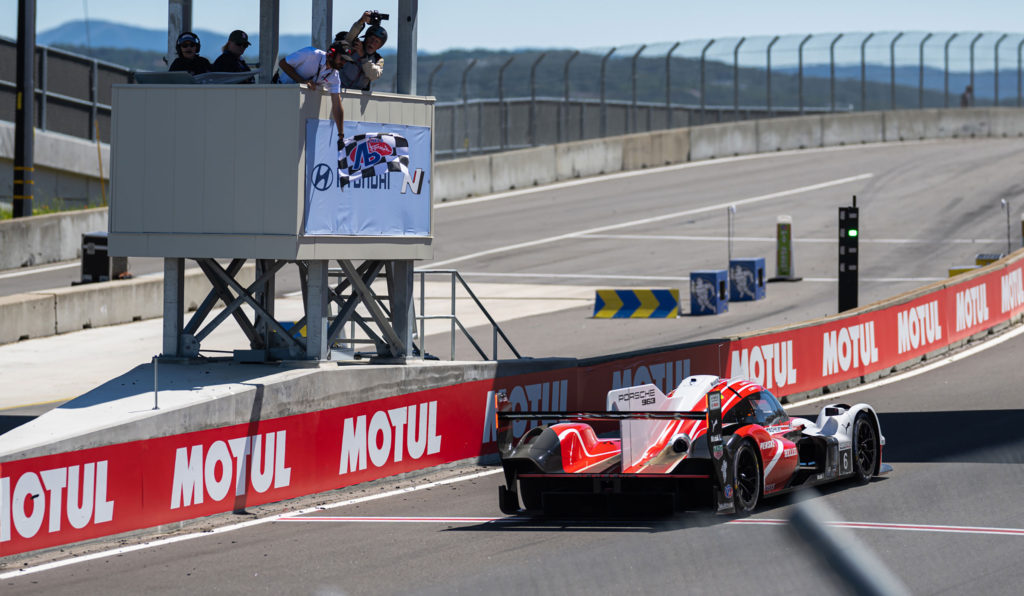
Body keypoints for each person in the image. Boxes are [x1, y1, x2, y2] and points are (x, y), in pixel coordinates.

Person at [276, 42, 348, 139]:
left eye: (346, 61)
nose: (343, 63)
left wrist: (341, 134)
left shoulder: (334, 75)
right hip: (279, 94)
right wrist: (302, 81)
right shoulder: (311, 53)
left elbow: (337, 105)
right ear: (331, 54)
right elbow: (283, 63)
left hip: (295, 107)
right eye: (342, 59)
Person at [336, 11, 386, 90]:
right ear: (366, 38)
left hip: (358, 97)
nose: (372, 43)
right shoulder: (354, 46)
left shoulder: (378, 59)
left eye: (377, 41)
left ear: (380, 46)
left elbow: (374, 75)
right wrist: (361, 21)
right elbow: (350, 37)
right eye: (371, 38)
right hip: (339, 88)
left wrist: (363, 57)